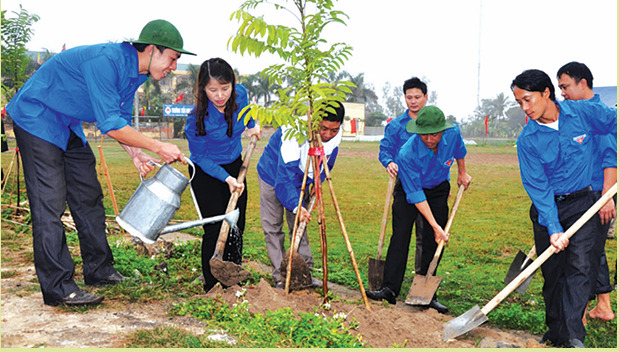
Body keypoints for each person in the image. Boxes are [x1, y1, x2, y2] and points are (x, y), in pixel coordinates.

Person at [5, 19, 194, 307]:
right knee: (50, 202)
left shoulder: (137, 74)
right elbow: (109, 123)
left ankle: (100, 269)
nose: (172, 67)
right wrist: (157, 146)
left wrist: (136, 153)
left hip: (67, 123)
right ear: (153, 49)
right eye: (172, 58)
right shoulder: (106, 61)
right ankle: (58, 287)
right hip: (37, 117)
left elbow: (118, 120)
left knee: (88, 195)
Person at [511, 69, 616, 348]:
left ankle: (572, 336)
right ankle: (556, 330)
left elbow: (613, 124)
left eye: (528, 100)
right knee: (554, 274)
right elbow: (538, 188)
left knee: (581, 268)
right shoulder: (527, 139)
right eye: (519, 102)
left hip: (583, 204)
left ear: (546, 93)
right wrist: (554, 228)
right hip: (548, 209)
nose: (525, 107)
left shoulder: (582, 114)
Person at [367, 105, 472, 313]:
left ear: (443, 130)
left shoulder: (453, 133)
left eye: (434, 134)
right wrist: (434, 225)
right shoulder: (407, 153)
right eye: (424, 135)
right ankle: (389, 288)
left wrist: (462, 172)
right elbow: (416, 195)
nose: (430, 139)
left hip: (438, 187)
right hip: (410, 190)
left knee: (433, 241)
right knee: (401, 235)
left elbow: (460, 151)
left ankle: (427, 293)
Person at [184, 58, 261, 293]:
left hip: (235, 165)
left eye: (225, 88)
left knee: (237, 224)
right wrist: (226, 179)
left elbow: (248, 116)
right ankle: (212, 285)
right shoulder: (195, 118)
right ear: (203, 89)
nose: (220, 95)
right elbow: (200, 157)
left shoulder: (241, 94)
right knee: (215, 227)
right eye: (212, 90)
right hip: (206, 172)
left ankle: (232, 276)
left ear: (232, 85)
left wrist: (253, 125)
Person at [256, 102, 345, 289]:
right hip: (273, 175)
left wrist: (317, 181)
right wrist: (297, 206)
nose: (328, 135)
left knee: (299, 226)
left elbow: (329, 158)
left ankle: (304, 272)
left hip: (303, 177)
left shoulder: (336, 133)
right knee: (273, 226)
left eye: (334, 130)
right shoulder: (293, 133)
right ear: (314, 123)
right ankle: (281, 275)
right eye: (324, 129)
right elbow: (283, 179)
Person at [557, 61, 617, 323]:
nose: (563, 93)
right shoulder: (577, 114)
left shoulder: (596, 113)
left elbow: (610, 158)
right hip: (583, 192)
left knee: (584, 255)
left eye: (565, 86)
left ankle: (579, 313)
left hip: (595, 194)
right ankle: (602, 305)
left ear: (583, 83)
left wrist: (606, 198)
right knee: (593, 251)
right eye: (560, 88)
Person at [378, 77, 428, 275]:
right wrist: (389, 162)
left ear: (425, 97)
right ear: (404, 99)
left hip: (429, 184)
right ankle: (392, 280)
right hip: (404, 185)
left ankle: (422, 276)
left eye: (417, 97)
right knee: (400, 233)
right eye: (409, 97)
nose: (413, 101)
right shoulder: (396, 125)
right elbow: (385, 150)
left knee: (426, 235)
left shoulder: (433, 124)